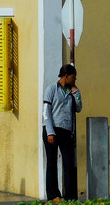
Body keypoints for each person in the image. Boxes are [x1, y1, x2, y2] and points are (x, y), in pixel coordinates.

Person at [43, 64, 83, 202]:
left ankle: (70, 195)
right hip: (52, 129)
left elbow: (79, 108)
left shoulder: (72, 93)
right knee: (52, 163)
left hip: (66, 131)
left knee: (69, 163)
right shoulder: (51, 89)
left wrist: (76, 93)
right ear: (66, 76)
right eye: (73, 77)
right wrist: (50, 132)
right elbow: (46, 112)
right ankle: (53, 195)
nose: (75, 80)